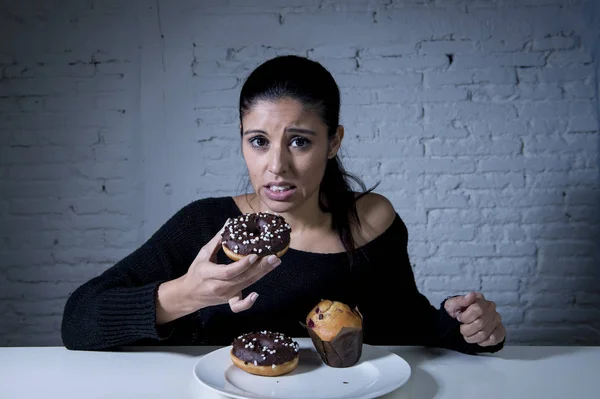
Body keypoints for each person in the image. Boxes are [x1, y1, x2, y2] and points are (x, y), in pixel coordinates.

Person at [61, 55, 506, 354]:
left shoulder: (371, 220)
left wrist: (467, 326)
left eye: (299, 141)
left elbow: (403, 327)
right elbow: (78, 321)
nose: (276, 166)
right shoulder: (206, 225)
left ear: (333, 142)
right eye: (258, 141)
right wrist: (187, 294)